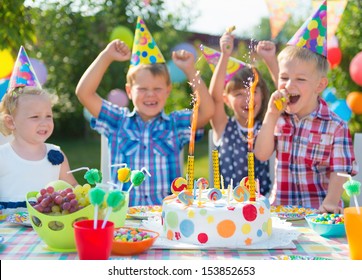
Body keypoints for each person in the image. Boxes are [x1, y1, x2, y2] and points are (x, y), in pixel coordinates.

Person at [76, 19, 214, 206]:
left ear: (168, 90)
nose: (150, 94)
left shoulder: (176, 124)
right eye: (142, 89)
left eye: (157, 88)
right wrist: (106, 56)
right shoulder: (118, 121)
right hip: (125, 217)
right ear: (129, 91)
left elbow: (207, 111)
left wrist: (191, 71)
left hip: (165, 217)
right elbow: (84, 93)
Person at [254, 2, 358, 213]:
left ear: (319, 85)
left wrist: (330, 202)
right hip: (281, 212)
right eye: (284, 77)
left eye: (300, 79)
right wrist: (270, 115)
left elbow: (341, 170)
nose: (289, 85)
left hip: (318, 212)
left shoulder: (335, 126)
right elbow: (261, 154)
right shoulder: (280, 116)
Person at [207, 31, 273, 196]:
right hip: (225, 209)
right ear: (226, 100)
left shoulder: (267, 127)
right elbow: (213, 98)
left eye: (253, 91)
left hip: (260, 210)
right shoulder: (223, 126)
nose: (248, 99)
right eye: (239, 94)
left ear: (263, 94)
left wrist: (270, 60)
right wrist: (224, 56)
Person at [0, 86, 77, 210]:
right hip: (7, 227)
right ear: (11, 122)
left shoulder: (56, 154)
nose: (44, 122)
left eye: (48, 116)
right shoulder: (3, 156)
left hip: (47, 225)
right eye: (35, 117)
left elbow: (71, 186)